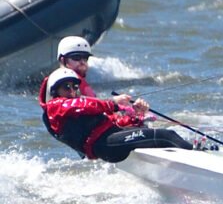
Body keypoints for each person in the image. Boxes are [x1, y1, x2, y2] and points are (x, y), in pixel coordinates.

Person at [40, 68, 193, 162]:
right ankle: (196, 156)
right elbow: (82, 104)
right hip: (105, 145)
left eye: (75, 87)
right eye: (66, 87)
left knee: (161, 135)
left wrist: (136, 115)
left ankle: (191, 155)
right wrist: (113, 103)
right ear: (54, 92)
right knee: (167, 136)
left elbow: (116, 122)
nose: (72, 92)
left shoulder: (75, 106)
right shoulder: (55, 106)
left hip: (111, 138)